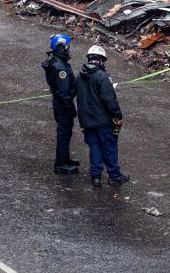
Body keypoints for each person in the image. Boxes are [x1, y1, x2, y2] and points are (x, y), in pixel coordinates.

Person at [76, 45, 129, 187]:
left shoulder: (80, 75)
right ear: (100, 60)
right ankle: (114, 176)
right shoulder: (102, 76)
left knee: (94, 147)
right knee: (109, 147)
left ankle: (96, 177)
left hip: (87, 121)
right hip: (103, 121)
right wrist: (118, 116)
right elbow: (109, 100)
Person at [41, 33, 79, 175]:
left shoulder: (56, 61)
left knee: (66, 132)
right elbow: (64, 92)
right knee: (64, 133)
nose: (69, 50)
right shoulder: (60, 68)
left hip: (60, 103)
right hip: (63, 105)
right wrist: (71, 108)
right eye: (68, 47)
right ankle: (60, 164)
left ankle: (65, 158)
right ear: (62, 47)